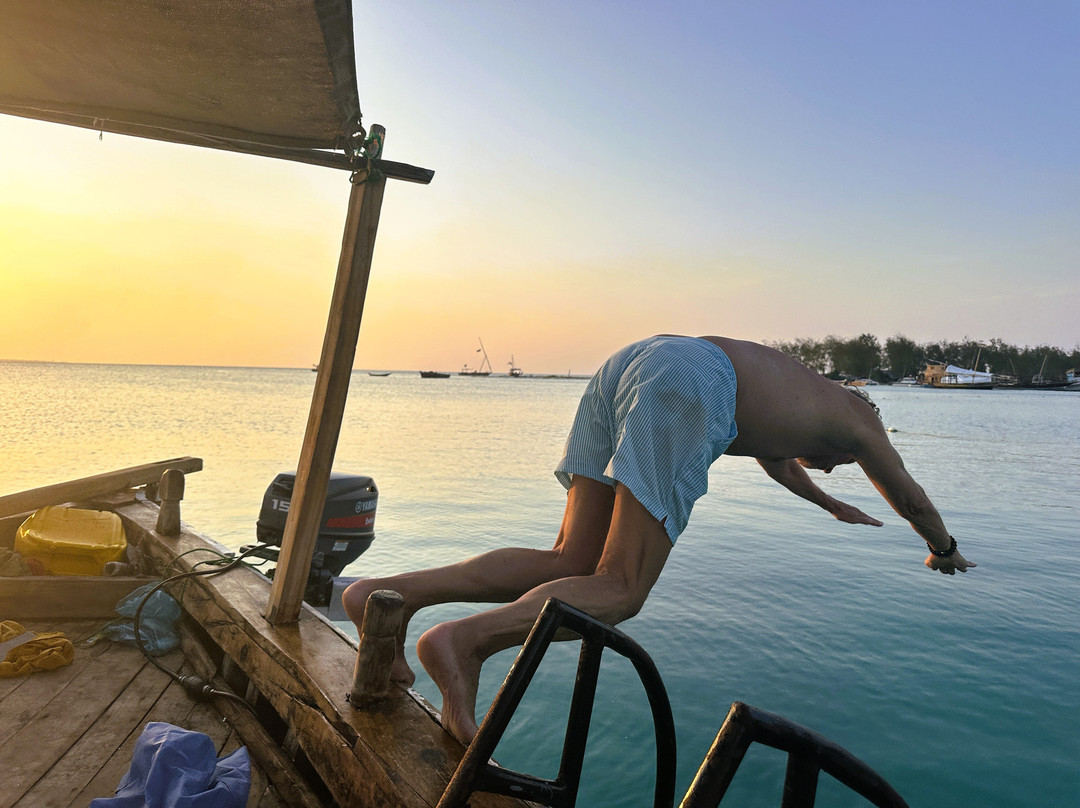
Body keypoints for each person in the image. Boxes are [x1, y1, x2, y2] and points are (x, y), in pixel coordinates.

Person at [343, 335, 974, 745]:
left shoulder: (804, 394)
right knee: (621, 588)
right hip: (687, 385)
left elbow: (776, 455)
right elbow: (910, 495)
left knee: (569, 559)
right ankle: (464, 642)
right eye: (836, 467)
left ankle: (385, 594)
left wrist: (829, 503)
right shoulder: (861, 416)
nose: (831, 467)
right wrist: (942, 548)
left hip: (633, 364)